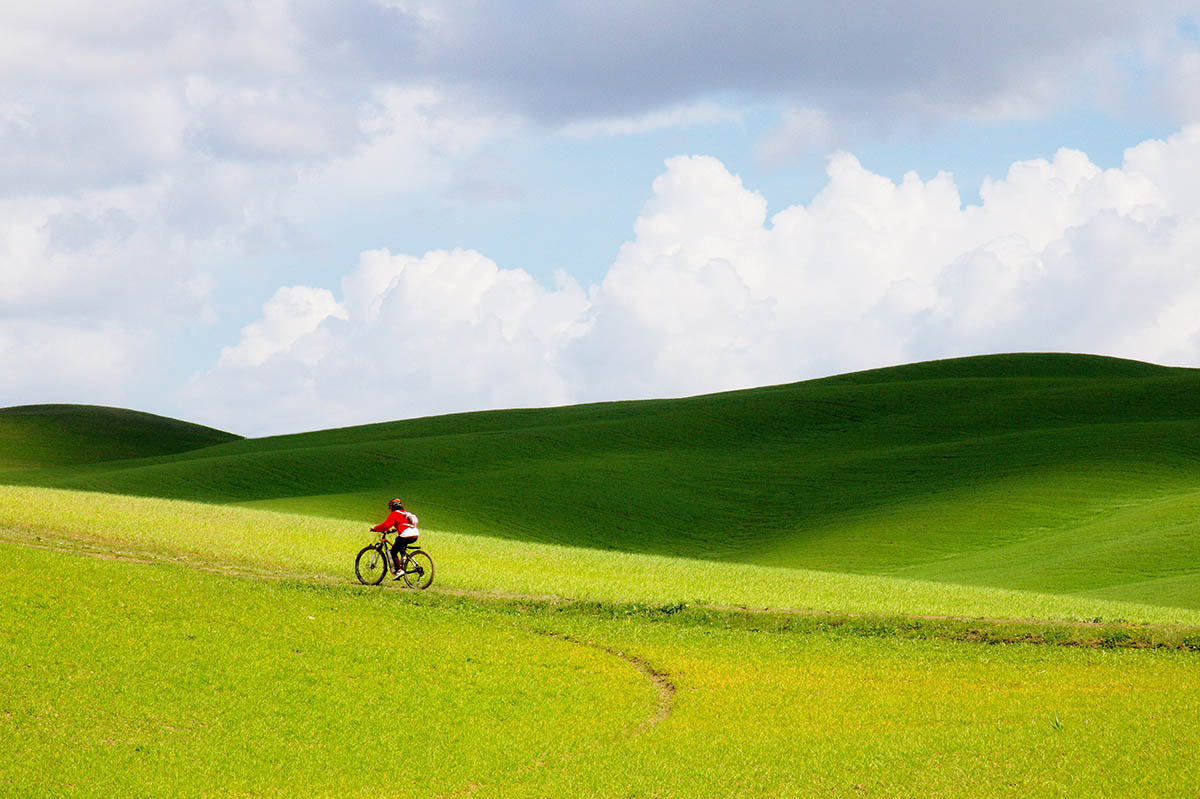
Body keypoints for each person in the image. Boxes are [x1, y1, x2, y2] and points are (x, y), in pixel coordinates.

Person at [371, 498, 420, 580]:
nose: (390, 509)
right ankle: (403, 559)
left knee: (393, 552)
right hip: (415, 533)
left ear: (392, 507)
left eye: (390, 507)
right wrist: (392, 530)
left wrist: (375, 528)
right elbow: (403, 525)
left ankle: (399, 570)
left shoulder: (394, 514)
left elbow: (385, 526)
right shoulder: (405, 513)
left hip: (406, 535)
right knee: (400, 544)